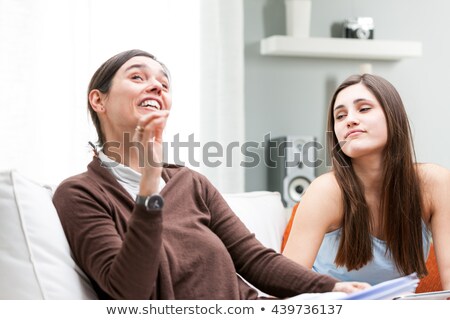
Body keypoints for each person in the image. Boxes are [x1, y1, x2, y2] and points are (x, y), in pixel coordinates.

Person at [52, 49, 369, 300]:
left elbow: (254, 259)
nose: (156, 87)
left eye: (164, 84)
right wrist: (149, 185)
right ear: (98, 100)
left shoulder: (190, 183)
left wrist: (331, 288)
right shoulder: (79, 195)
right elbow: (128, 293)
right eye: (137, 77)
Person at [283, 74, 450, 289]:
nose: (350, 120)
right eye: (340, 116)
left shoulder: (435, 183)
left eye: (363, 109)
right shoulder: (325, 191)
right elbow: (285, 286)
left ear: (393, 116)